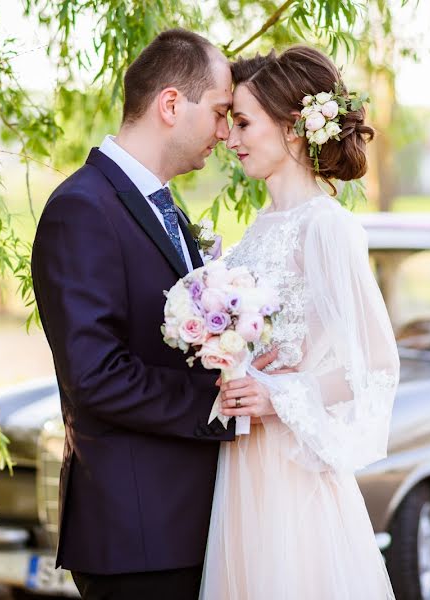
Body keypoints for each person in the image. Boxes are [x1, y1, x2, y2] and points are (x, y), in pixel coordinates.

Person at [31, 29, 277, 599]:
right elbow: (96, 377)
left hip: (182, 526)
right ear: (171, 104)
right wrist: (220, 403)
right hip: (140, 537)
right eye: (219, 112)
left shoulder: (157, 205)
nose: (224, 131)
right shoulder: (82, 210)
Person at [198, 45, 400, 599]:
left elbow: (377, 366)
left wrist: (279, 397)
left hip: (292, 468)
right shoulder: (256, 230)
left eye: (242, 123)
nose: (230, 139)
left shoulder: (327, 227)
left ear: (293, 129)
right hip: (241, 464)